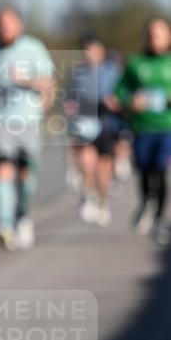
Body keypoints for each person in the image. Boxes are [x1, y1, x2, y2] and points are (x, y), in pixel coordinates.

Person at [0, 6, 55, 251]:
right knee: (2, 168)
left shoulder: (34, 48)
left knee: (26, 175)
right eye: (0, 24)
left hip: (28, 120)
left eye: (9, 23)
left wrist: (26, 81)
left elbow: (49, 83)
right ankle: (4, 224)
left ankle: (23, 215)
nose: (4, 28)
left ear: (19, 25)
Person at [114, 16, 171, 244]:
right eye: (151, 34)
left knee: (160, 169)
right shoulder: (136, 63)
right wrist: (130, 101)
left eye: (159, 34)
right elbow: (118, 92)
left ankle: (159, 218)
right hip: (141, 127)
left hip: (166, 126)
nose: (155, 38)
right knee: (145, 170)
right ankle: (146, 204)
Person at [64, 35, 122, 226]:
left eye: (95, 50)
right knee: (86, 161)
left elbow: (122, 96)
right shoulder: (77, 74)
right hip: (85, 123)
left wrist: (116, 103)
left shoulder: (112, 72)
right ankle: (88, 195)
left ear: (102, 51)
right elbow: (68, 96)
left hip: (106, 123)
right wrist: (70, 106)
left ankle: (102, 200)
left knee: (102, 168)